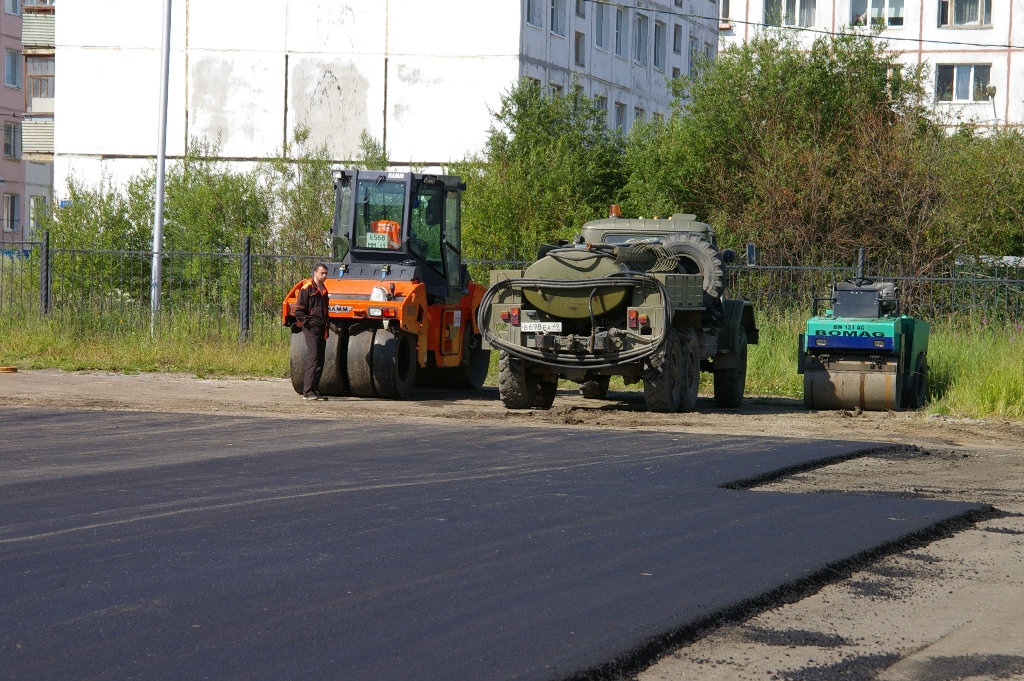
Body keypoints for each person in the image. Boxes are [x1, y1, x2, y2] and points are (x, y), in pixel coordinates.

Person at [294, 263, 330, 400]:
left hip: (322, 327)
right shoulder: (307, 288)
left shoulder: (324, 289)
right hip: (312, 328)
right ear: (315, 272)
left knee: (320, 360)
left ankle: (315, 390)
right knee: (313, 358)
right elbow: (298, 310)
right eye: (322, 273)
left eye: (326, 273)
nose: (324, 275)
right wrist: (309, 322)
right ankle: (307, 391)